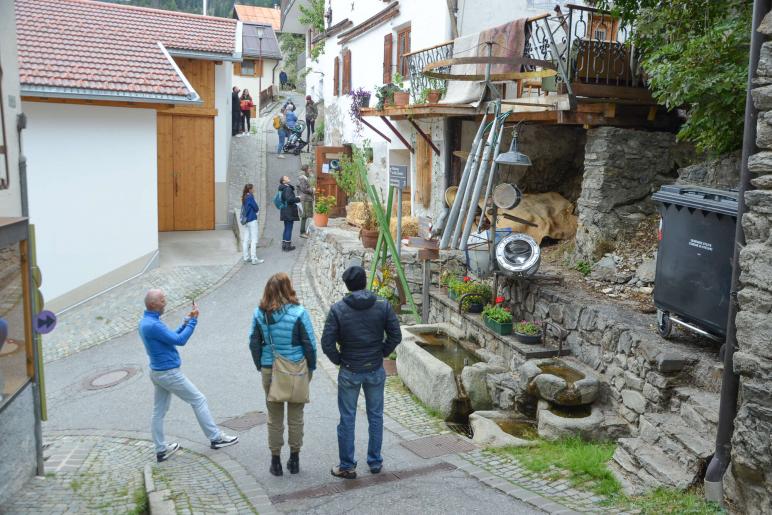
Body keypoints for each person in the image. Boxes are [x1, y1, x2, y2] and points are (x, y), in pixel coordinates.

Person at [139, 289, 239, 462]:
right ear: (154, 304)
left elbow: (171, 337)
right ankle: (215, 438)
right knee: (198, 400)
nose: (166, 302)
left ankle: (161, 449)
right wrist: (193, 322)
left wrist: (185, 322)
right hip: (168, 373)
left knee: (159, 412)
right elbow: (180, 340)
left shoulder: (146, 322)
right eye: (163, 300)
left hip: (157, 372)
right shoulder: (154, 325)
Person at [321, 266, 402, 479]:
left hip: (350, 369)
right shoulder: (382, 306)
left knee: (347, 418)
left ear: (347, 285)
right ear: (365, 282)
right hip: (375, 368)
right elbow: (396, 335)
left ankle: (347, 466)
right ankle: (375, 462)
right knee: (375, 416)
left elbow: (327, 342)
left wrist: (339, 360)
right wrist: (381, 353)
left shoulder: (338, 309)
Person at [249, 273, 317, 476]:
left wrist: (260, 365)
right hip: (296, 369)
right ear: (289, 289)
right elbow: (310, 345)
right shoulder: (299, 313)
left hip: (270, 370)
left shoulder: (259, 314)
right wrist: (310, 369)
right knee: (296, 417)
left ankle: (275, 461)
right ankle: (294, 459)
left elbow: (253, 343)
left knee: (274, 417)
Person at [241, 184, 264, 264]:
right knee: (254, 239)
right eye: (253, 188)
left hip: (246, 220)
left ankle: (246, 257)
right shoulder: (250, 197)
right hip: (252, 220)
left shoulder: (244, 197)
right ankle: (254, 258)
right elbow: (256, 207)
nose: (254, 189)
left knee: (246, 239)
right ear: (250, 189)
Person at [278, 176, 300, 251]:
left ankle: (284, 245)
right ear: (284, 181)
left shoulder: (282, 188)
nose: (288, 177)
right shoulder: (287, 189)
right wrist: (298, 199)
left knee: (286, 227)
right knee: (289, 228)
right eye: (286, 177)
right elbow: (290, 199)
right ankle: (288, 246)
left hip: (284, 210)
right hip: (289, 211)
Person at [296, 165, 315, 238]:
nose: (310, 169)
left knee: (307, 215)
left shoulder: (305, 177)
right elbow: (304, 189)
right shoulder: (302, 178)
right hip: (305, 199)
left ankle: (305, 231)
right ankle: (302, 232)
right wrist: (312, 190)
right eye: (309, 168)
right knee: (304, 215)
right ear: (306, 169)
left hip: (306, 198)